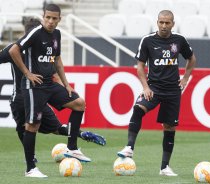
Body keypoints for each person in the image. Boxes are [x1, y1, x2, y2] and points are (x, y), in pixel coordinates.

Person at [8, 4, 91, 178]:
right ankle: (31, 169)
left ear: (59, 19)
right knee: (32, 125)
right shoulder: (36, 32)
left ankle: (72, 148)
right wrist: (27, 73)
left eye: (54, 18)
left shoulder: (57, 34)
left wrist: (66, 84)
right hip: (34, 86)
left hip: (49, 84)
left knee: (79, 103)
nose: (51, 21)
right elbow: (14, 49)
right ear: (43, 16)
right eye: (48, 17)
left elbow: (57, 60)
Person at [2, 18, 106, 152]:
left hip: (20, 99)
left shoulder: (13, 48)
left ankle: (31, 160)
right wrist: (65, 87)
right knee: (57, 128)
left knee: (24, 128)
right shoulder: (43, 48)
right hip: (39, 96)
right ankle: (80, 134)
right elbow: (54, 75)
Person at [117, 10, 196, 176]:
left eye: (167, 23)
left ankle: (164, 167)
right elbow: (140, 66)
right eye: (161, 22)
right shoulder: (148, 40)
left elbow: (192, 58)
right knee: (138, 108)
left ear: (173, 24)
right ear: (157, 22)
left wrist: (185, 78)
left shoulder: (179, 40)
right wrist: (146, 87)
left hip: (173, 90)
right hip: (153, 88)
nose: (164, 26)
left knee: (169, 126)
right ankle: (129, 147)